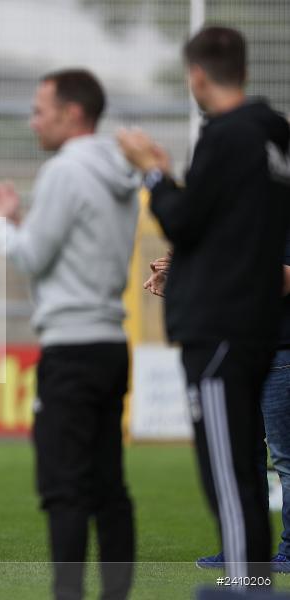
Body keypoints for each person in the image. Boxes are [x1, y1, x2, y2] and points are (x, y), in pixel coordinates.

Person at [0, 69, 139, 599]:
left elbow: (30, 256)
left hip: (71, 348)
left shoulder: (64, 170)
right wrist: (14, 215)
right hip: (110, 342)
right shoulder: (117, 168)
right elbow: (68, 247)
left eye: (39, 110)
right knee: (109, 486)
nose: (33, 121)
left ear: (71, 113)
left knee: (63, 487)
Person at [118, 26, 290, 583]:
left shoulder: (226, 136)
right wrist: (189, 269)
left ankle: (248, 584)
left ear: (196, 75)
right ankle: (251, 576)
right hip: (255, 325)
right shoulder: (273, 135)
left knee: (231, 469)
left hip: (223, 330)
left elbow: (183, 219)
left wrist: (154, 171)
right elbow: (234, 234)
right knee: (243, 465)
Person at [146, 241, 290, 575]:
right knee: (243, 457)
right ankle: (244, 550)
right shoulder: (244, 219)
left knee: (284, 458)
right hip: (238, 351)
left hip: (280, 351)